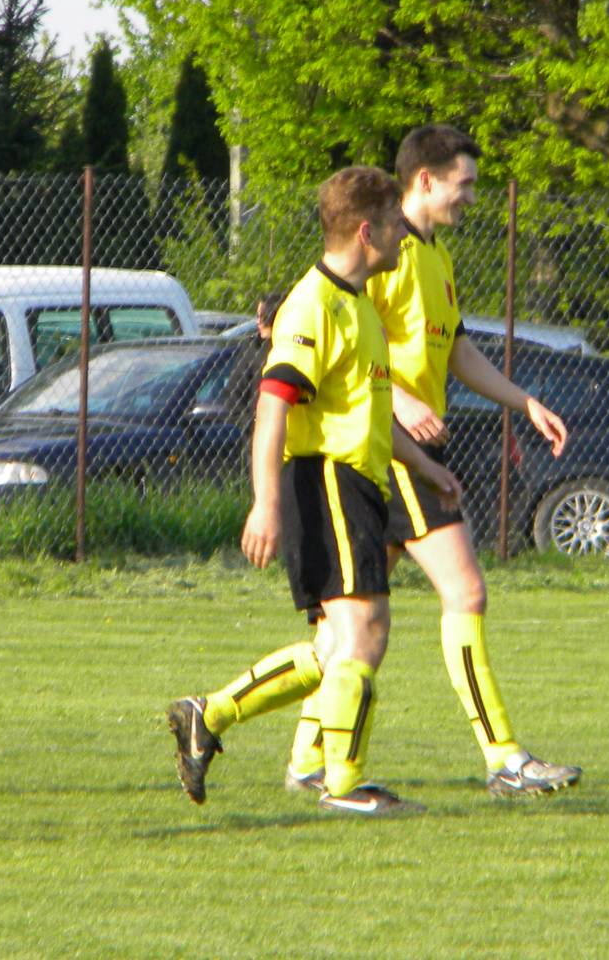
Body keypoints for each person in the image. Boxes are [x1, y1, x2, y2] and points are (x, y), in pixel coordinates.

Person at [283, 124, 581, 798]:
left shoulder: (435, 257)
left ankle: (289, 748)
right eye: (463, 183)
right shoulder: (385, 255)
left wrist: (524, 402)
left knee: (344, 630)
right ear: (425, 180)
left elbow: (458, 351)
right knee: (465, 591)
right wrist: (399, 405)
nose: (471, 195)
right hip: (392, 449)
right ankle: (504, 756)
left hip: (412, 449)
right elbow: (351, 347)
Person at [165, 165, 463, 817]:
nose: (402, 235)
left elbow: (367, 409)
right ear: (366, 232)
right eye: (393, 224)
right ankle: (344, 784)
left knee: (335, 647)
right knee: (364, 631)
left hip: (356, 481)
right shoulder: (313, 305)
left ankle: (208, 715)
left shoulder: (359, 304)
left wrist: (424, 464)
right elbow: (272, 407)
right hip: (327, 478)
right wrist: (265, 504)